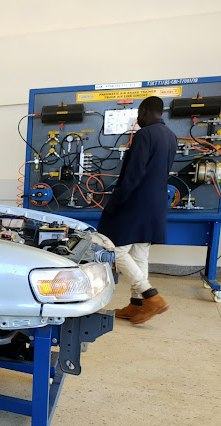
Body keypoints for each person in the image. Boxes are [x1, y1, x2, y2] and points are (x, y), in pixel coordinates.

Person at [98, 96, 178, 325]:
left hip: (136, 201)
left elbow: (133, 174)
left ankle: (150, 295)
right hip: (156, 202)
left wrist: (115, 203)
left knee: (116, 250)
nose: (137, 118)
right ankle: (137, 305)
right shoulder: (170, 136)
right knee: (140, 253)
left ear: (143, 111)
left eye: (138, 114)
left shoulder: (145, 135)